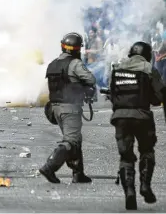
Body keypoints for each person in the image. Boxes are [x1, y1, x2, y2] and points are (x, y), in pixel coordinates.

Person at [108, 41, 165, 210]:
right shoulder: (148, 68)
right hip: (142, 116)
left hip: (120, 117)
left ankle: (130, 193)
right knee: (147, 151)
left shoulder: (116, 68)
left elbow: (112, 94)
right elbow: (159, 95)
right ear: (147, 54)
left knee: (126, 157)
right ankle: (145, 186)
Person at [40, 32, 96, 184]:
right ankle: (49, 167)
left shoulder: (53, 63)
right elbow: (90, 79)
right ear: (77, 48)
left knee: (75, 139)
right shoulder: (75, 63)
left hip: (54, 108)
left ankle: (78, 173)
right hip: (69, 107)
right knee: (71, 141)